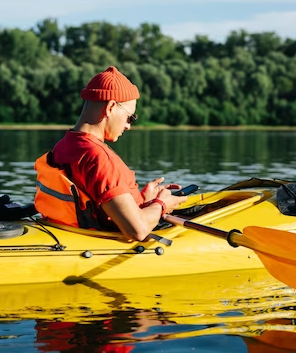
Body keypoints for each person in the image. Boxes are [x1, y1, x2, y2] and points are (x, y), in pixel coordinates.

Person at [34, 66, 187, 241]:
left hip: (66, 233)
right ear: (111, 107)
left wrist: (141, 199)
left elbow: (94, 203)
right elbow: (137, 230)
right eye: (130, 117)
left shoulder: (65, 145)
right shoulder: (98, 158)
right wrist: (162, 204)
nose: (129, 126)